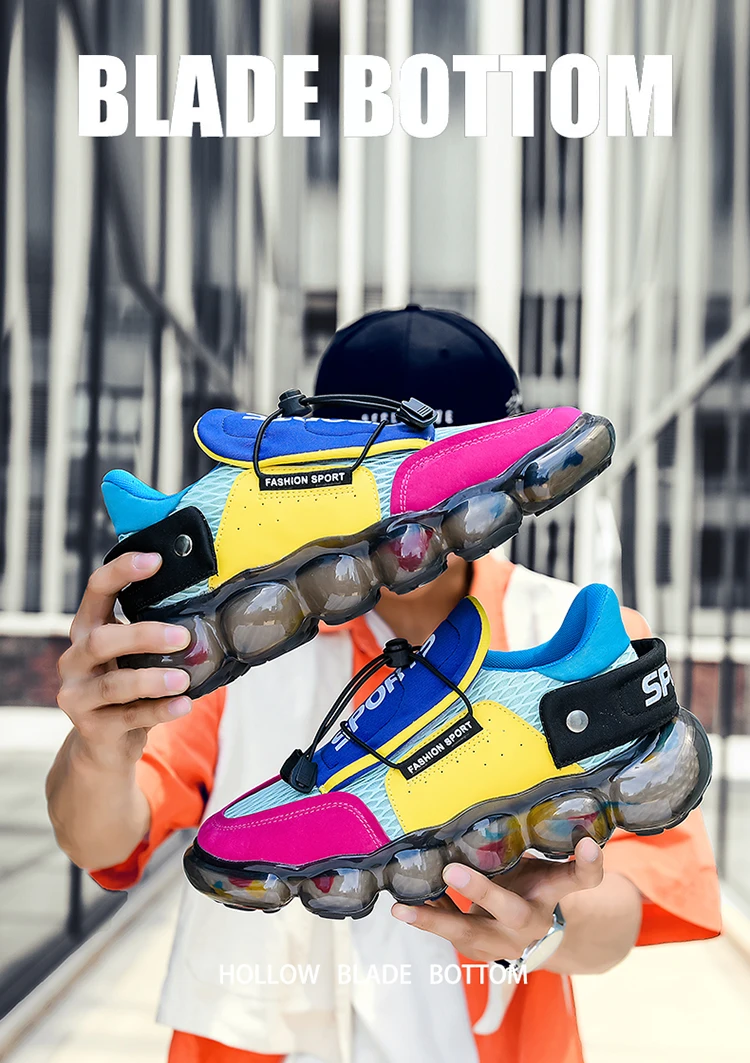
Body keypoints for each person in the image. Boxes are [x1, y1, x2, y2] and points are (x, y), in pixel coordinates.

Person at [47, 307, 721, 1063]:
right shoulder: (230, 649)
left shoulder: (575, 629)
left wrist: (544, 923)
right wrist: (98, 747)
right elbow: (101, 840)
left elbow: (634, 911)